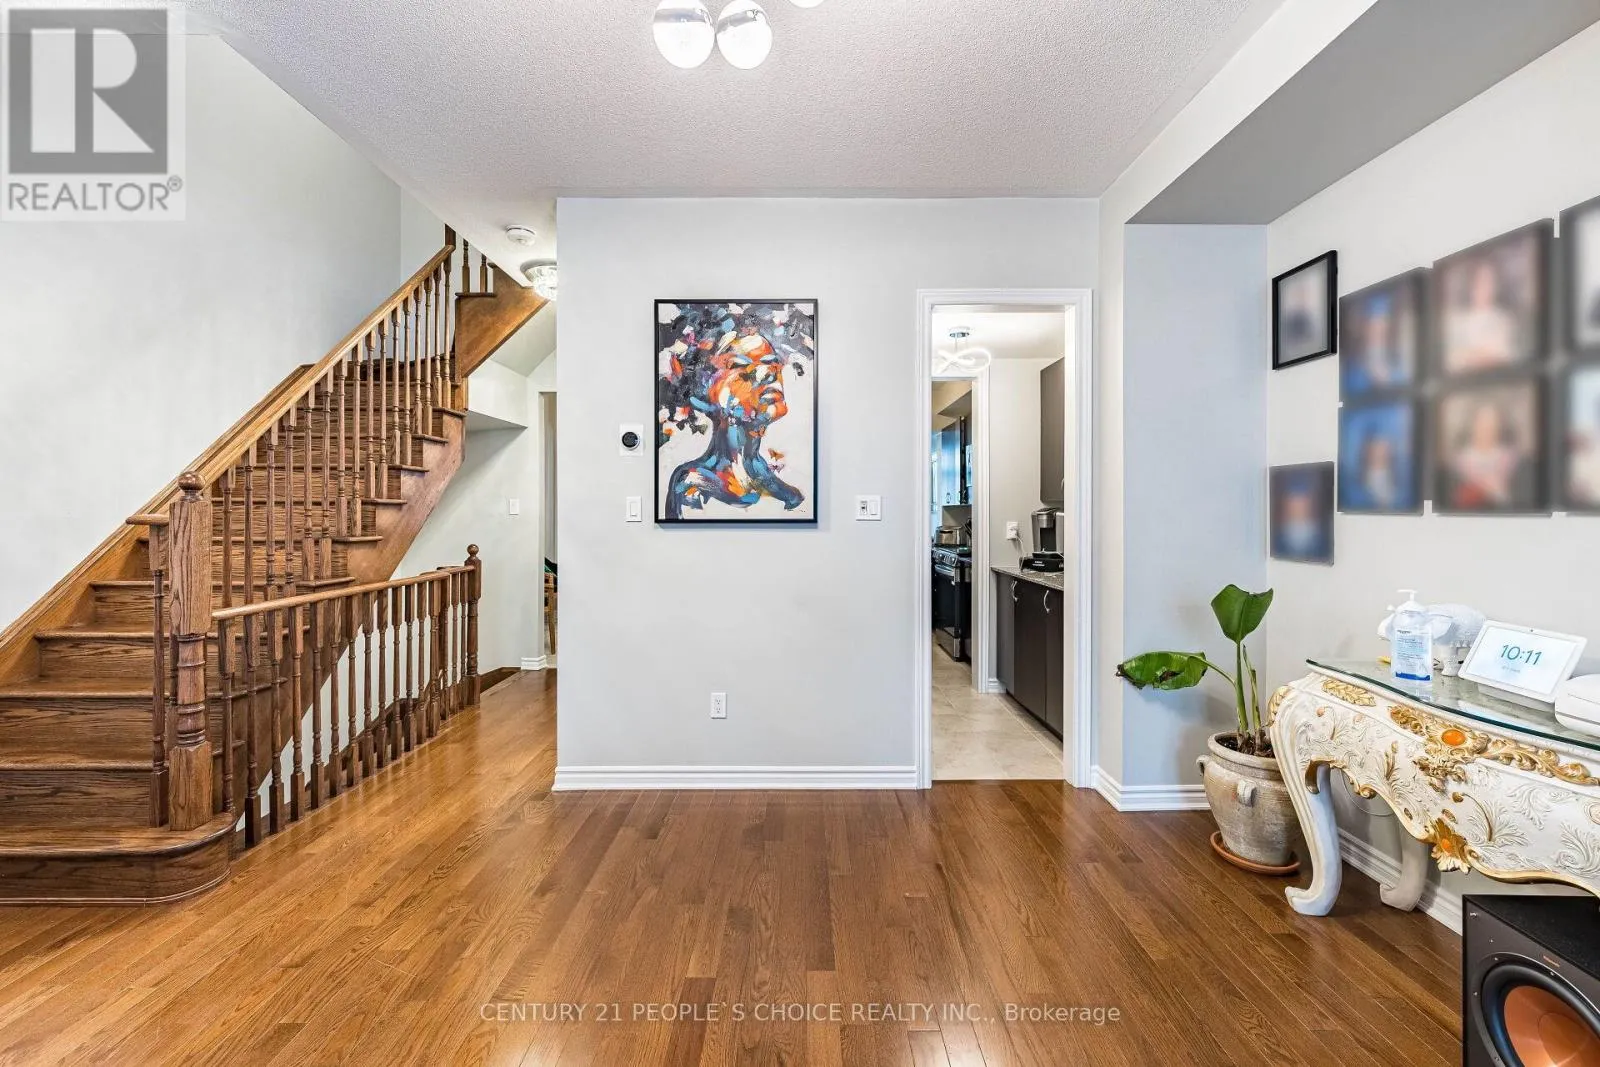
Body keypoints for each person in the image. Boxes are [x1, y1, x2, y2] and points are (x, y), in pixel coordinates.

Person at [1445, 400, 1528, 510]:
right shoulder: (1460, 462)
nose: (1487, 428)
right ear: (1473, 424)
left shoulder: (1511, 458)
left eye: (1492, 422)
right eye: (1482, 422)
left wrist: (1501, 494)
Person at [1444, 260, 1518, 374]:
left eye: (1489, 282)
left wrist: (1469, 356)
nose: (1484, 287)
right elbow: (1450, 360)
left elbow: (1504, 359)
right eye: (1479, 281)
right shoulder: (1455, 319)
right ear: (1470, 284)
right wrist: (1481, 355)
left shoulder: (1503, 320)